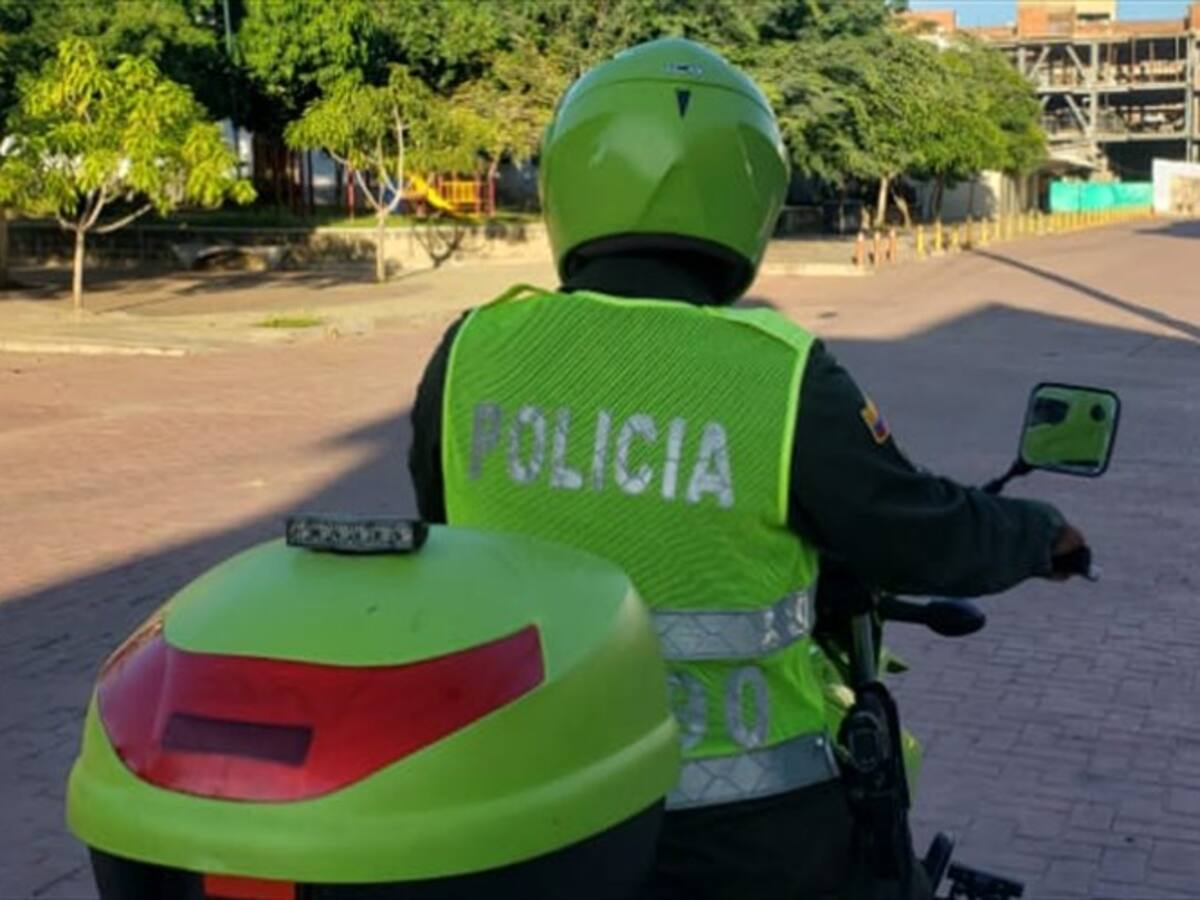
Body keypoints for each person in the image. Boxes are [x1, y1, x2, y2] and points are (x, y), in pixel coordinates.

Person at [408, 37, 1087, 900]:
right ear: (751, 196)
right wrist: (1038, 537)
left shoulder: (472, 352)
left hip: (526, 806)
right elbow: (913, 532)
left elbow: (438, 534)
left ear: (569, 180)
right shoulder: (780, 370)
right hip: (755, 834)